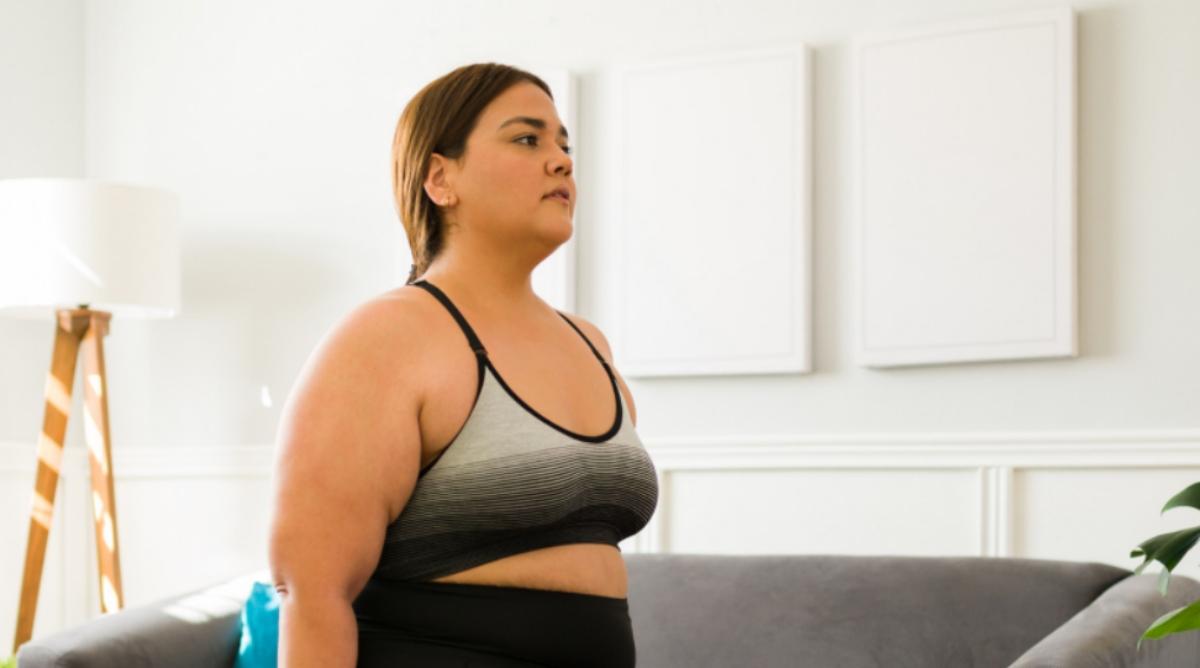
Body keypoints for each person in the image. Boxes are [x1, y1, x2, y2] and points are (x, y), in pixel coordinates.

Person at [267, 62, 660, 667]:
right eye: (527, 139)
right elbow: (313, 593)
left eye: (563, 143)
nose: (561, 160)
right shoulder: (386, 337)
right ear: (439, 178)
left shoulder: (590, 345)